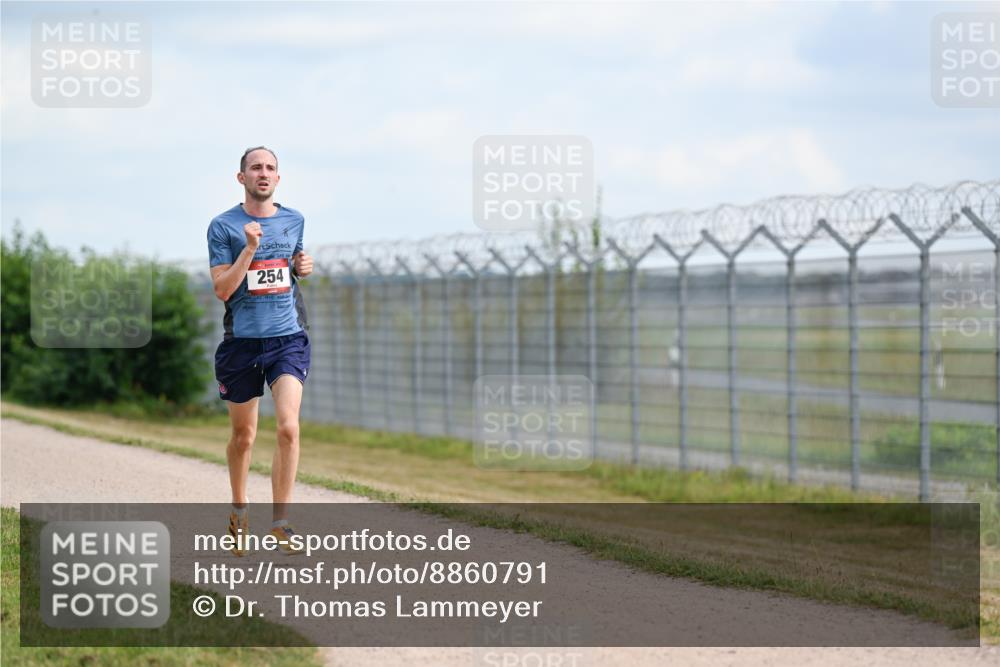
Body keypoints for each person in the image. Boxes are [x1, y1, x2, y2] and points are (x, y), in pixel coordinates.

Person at [207, 146, 313, 556]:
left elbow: (293, 266)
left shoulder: (294, 220)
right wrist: (249, 249)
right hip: (242, 343)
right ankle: (239, 506)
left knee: (288, 426)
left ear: (278, 178)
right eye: (256, 168)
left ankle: (282, 522)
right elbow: (222, 289)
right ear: (242, 178)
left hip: (288, 338)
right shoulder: (224, 226)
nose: (263, 173)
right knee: (244, 435)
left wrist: (303, 266)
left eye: (270, 168)